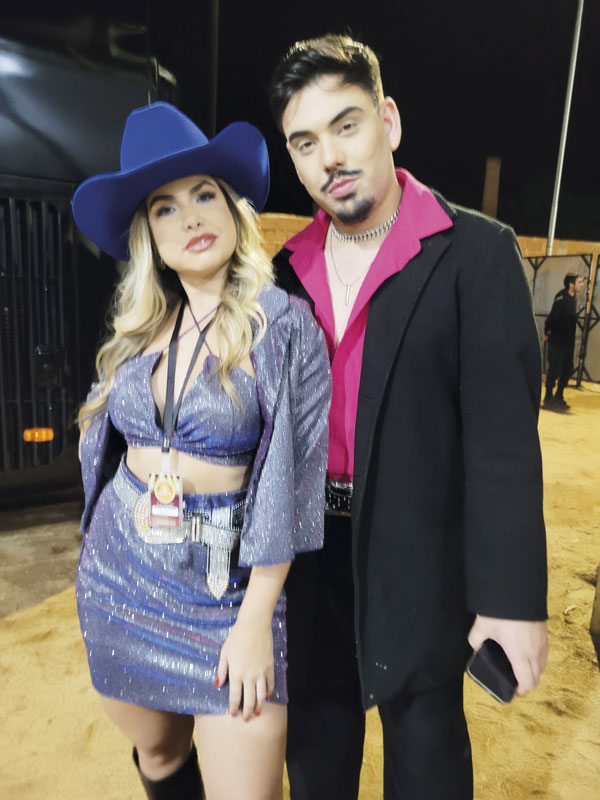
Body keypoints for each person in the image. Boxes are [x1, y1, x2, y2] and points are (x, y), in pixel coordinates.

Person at [268, 34, 548, 800]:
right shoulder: (283, 272)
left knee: (426, 766)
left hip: (419, 561)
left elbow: (502, 446)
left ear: (388, 121)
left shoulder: (475, 255)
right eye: (306, 142)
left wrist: (510, 601)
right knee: (316, 762)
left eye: (346, 125)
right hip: (308, 560)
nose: (330, 157)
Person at [72, 101, 330, 800]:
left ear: (233, 209)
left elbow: (291, 484)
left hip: (228, 593)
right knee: (158, 755)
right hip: (120, 578)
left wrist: (256, 618)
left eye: (204, 195)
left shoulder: (285, 328)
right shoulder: (138, 333)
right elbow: (101, 444)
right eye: (165, 208)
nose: (190, 218)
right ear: (149, 236)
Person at [543, 271, 585, 410]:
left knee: (567, 369)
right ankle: (548, 397)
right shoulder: (561, 297)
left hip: (568, 341)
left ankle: (559, 395)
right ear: (571, 284)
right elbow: (552, 318)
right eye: (579, 282)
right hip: (558, 340)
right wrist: (547, 332)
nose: (582, 285)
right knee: (554, 369)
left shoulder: (573, 298)